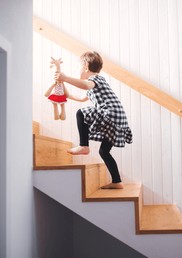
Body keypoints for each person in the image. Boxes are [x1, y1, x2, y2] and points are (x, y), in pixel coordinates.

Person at [54, 51, 133, 189]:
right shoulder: (94, 85)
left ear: (85, 67)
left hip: (110, 113)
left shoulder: (96, 79)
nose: (78, 70)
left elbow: (85, 85)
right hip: (118, 118)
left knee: (81, 113)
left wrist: (65, 78)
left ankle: (84, 145)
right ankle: (117, 181)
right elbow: (80, 97)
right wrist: (62, 83)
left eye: (79, 67)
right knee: (104, 151)